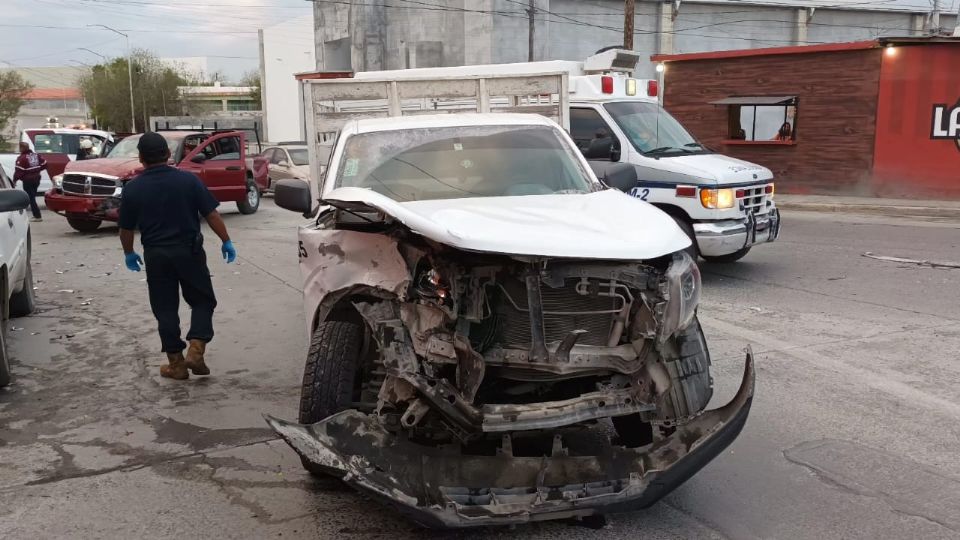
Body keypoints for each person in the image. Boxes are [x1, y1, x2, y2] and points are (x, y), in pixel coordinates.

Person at [118, 132, 237, 380]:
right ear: (168, 155)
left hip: (156, 255)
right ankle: (196, 349)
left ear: (141, 158)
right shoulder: (188, 181)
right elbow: (212, 214)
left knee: (165, 309)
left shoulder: (133, 189)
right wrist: (226, 241)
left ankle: (176, 364)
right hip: (189, 251)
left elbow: (126, 228)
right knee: (203, 301)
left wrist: (129, 253)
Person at [13, 142, 47, 222]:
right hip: (37, 179)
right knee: (33, 197)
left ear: (22, 148)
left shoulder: (22, 158)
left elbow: (19, 171)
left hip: (28, 181)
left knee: (31, 198)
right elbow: (45, 164)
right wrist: (37, 170)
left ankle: (37, 216)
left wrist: (15, 180)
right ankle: (35, 214)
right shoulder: (36, 155)